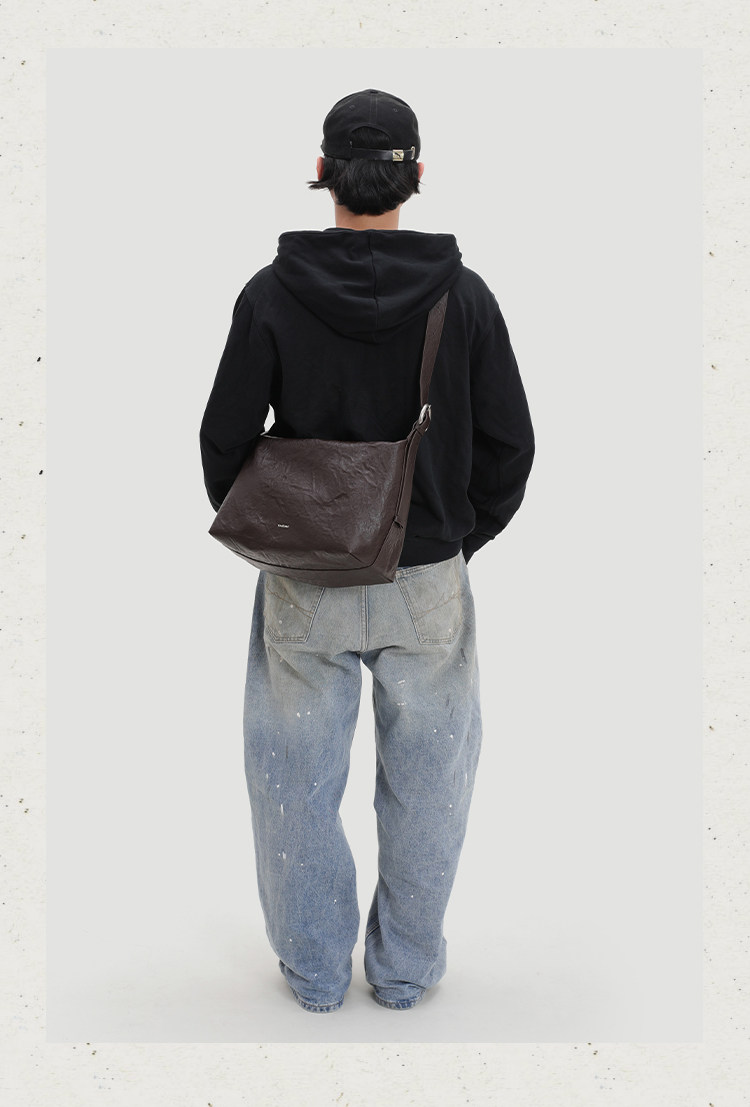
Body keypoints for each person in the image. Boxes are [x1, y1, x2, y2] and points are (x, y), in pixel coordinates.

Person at [199, 89, 535, 1013]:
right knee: (430, 785)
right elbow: (511, 446)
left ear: (323, 173)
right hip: (426, 578)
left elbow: (223, 439)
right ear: (415, 176)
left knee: (291, 782)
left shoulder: (270, 294)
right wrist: (452, 540)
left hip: (304, 579)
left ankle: (313, 973)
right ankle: (404, 971)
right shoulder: (465, 297)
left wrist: (279, 531)